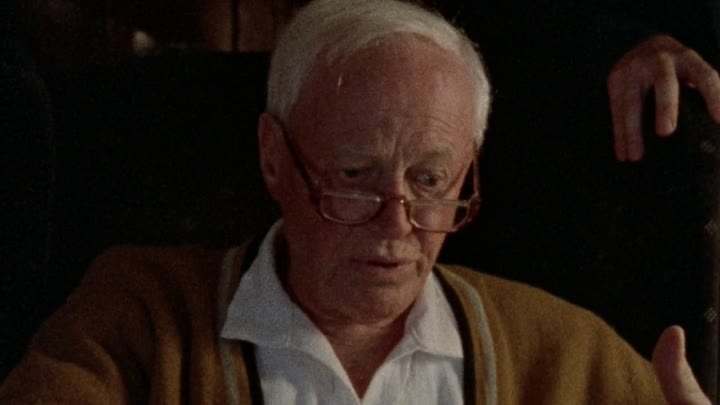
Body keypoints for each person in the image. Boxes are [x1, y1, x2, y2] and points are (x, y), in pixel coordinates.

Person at [0, 0, 713, 403]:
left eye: (431, 181)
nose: (397, 224)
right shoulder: (134, 316)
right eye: (353, 174)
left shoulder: (573, 357)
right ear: (273, 156)